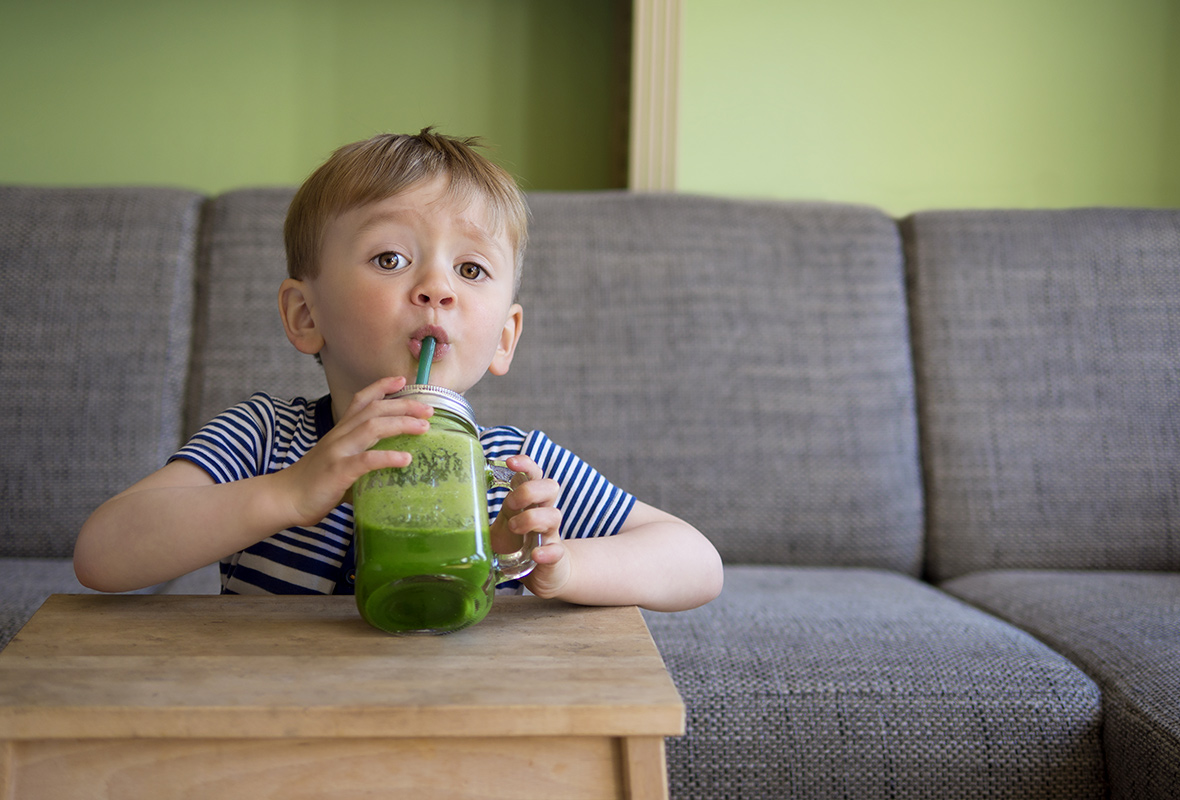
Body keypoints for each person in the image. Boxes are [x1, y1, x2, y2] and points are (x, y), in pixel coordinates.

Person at [74, 129, 723, 612]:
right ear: (305, 315)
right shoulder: (267, 441)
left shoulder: (509, 465)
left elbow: (696, 562)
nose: (437, 286)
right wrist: (288, 494)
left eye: (470, 270)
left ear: (504, 337)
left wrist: (554, 564)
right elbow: (103, 554)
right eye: (389, 258)